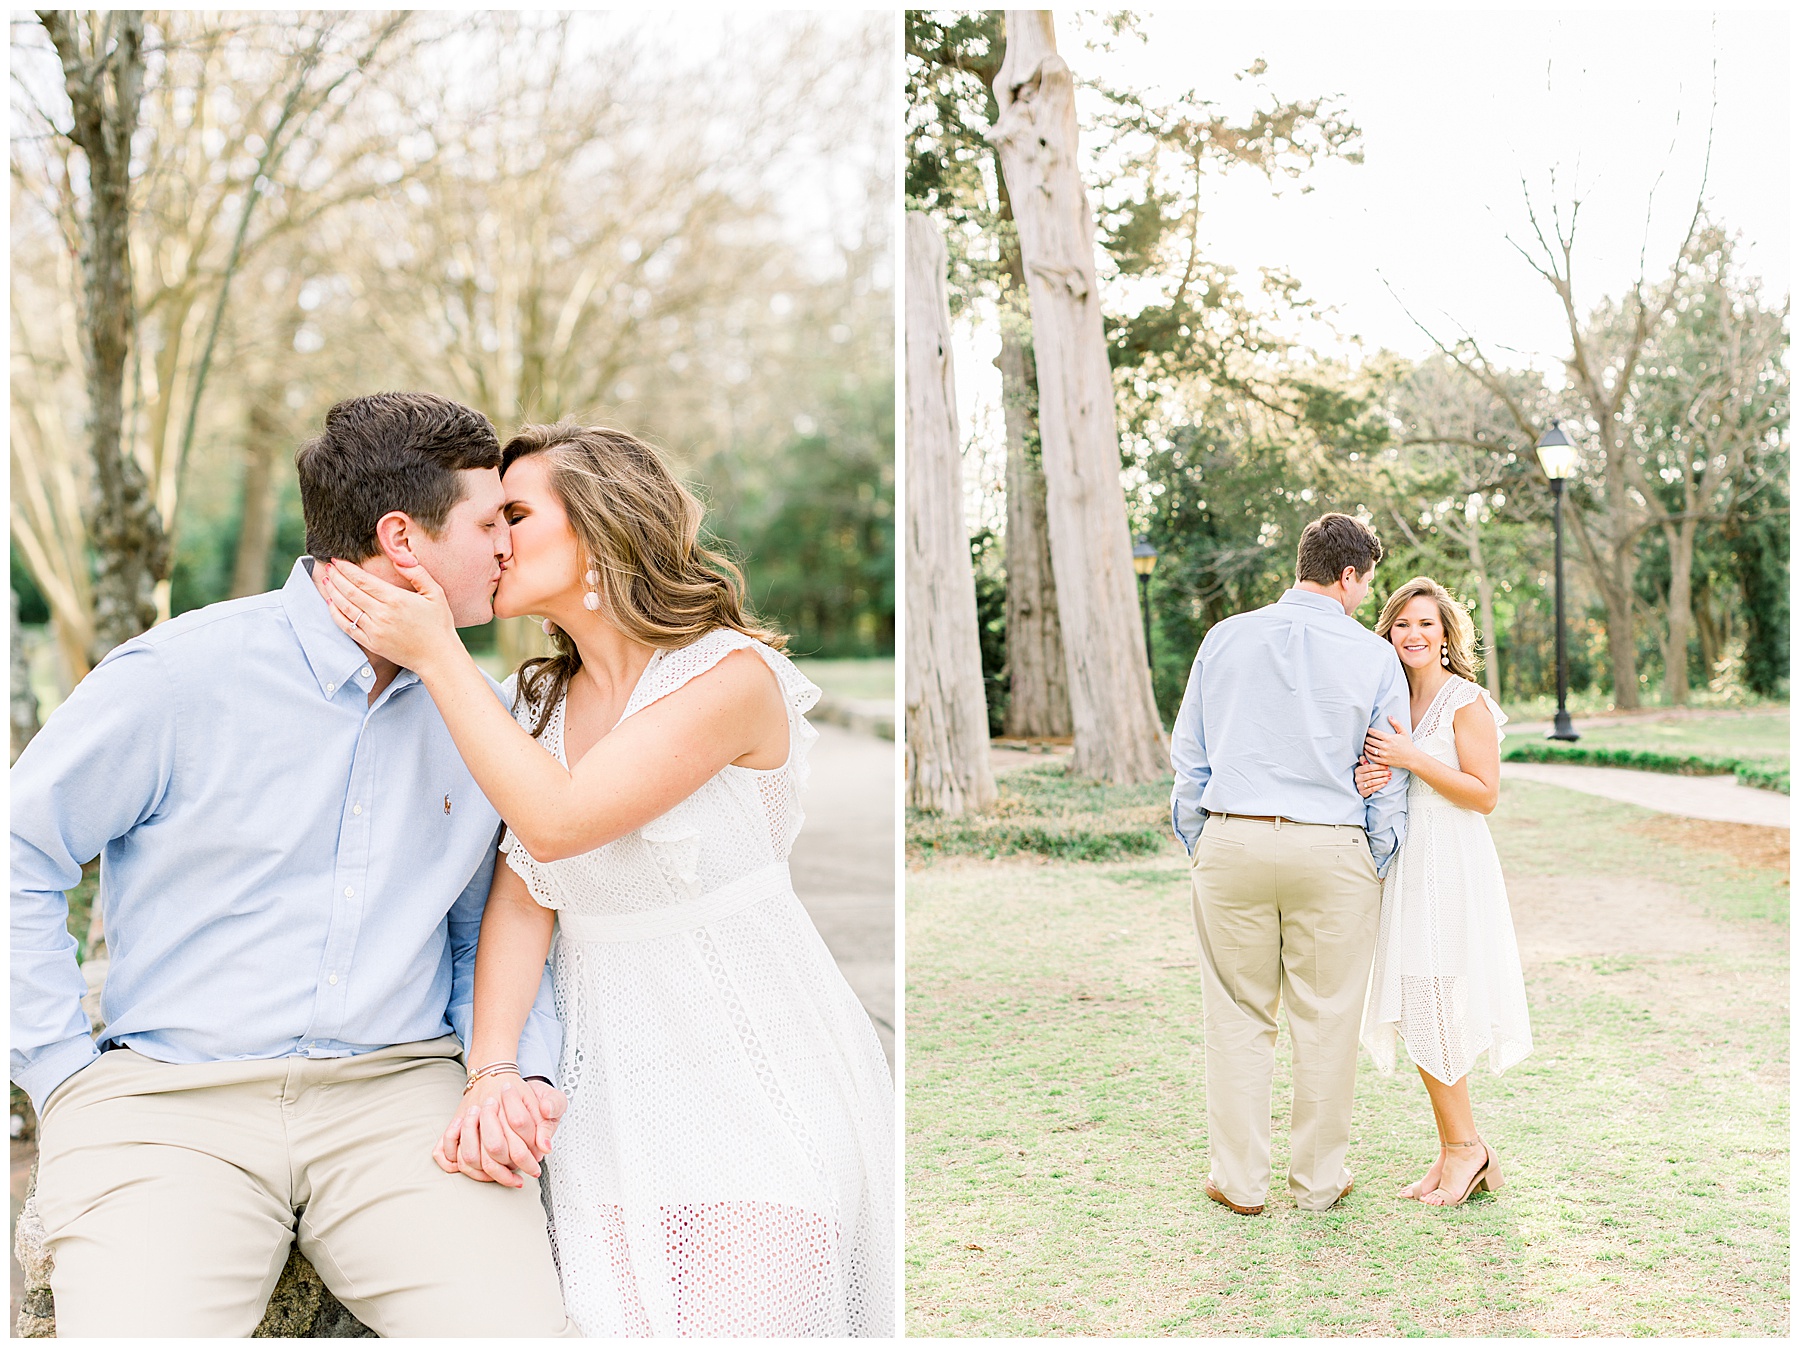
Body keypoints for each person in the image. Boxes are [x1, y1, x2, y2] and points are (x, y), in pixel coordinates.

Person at [10, 392, 575, 1336]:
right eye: (489, 524)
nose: (507, 547)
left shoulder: (482, 716)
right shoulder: (178, 675)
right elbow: (19, 850)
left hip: (400, 1098)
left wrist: (515, 1072)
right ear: (402, 539)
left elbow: (484, 923)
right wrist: (59, 1073)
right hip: (173, 1103)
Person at [319, 422, 894, 1337]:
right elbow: (523, 900)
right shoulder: (537, 702)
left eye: (514, 515)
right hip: (606, 1096)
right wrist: (492, 1071)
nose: (494, 541)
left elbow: (559, 823)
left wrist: (436, 654)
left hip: (751, 1070)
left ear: (598, 526)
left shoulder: (728, 677)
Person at [1168, 513, 1410, 1216]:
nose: (1364, 597)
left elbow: (1190, 757)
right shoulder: (1374, 657)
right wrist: (1376, 855)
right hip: (1331, 847)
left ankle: (1240, 1182)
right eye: (1365, 584)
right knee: (1327, 1017)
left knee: (1236, 1014)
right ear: (1349, 575)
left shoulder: (1224, 637)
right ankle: (1318, 1183)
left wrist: (1202, 840)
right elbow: (1387, 772)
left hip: (1234, 839)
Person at [1353, 576, 1532, 1207]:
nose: (1414, 634)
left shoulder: (1466, 701)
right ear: (1388, 634)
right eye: (1402, 623)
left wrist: (1410, 759)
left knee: (1435, 999)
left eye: (1426, 623)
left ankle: (1466, 1149)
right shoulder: (1390, 701)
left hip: (1452, 864)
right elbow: (1389, 776)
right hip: (1406, 866)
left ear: (1446, 634)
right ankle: (1458, 1148)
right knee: (1416, 1001)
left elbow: (1484, 795)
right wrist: (1374, 776)